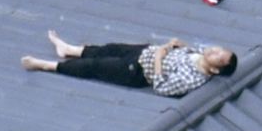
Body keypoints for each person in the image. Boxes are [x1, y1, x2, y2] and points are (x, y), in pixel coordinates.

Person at [20, 30, 236, 96]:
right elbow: (184, 52)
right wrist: (176, 45)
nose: (214, 51)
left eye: (219, 56)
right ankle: (68, 49)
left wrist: (160, 58)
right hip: (144, 52)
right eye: (218, 49)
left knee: (97, 67)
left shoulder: (193, 78)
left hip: (139, 71)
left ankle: (45, 65)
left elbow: (162, 87)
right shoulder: (198, 53)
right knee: (109, 48)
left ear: (216, 69)